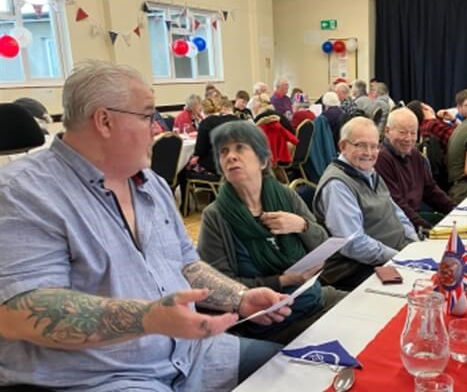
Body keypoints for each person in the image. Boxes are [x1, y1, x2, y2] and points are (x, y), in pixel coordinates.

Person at [0, 60, 292, 390]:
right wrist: (146, 318)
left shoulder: (150, 183)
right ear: (105, 121)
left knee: (295, 372)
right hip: (105, 378)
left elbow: (184, 263)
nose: (156, 128)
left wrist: (239, 297)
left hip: (192, 355)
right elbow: (20, 312)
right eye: (147, 116)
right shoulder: (23, 193)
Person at [198, 120, 346, 344]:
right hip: (273, 324)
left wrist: (302, 226)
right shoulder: (216, 217)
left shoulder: (286, 197)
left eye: (240, 148)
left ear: (263, 160)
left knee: (375, 313)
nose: (231, 156)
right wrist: (282, 280)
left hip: (315, 299)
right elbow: (219, 287)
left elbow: (323, 246)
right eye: (224, 151)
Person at [314, 117, 418, 290]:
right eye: (361, 145)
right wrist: (400, 258)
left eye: (374, 146)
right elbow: (354, 244)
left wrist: (414, 243)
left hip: (395, 253)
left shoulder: (368, 171)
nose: (369, 153)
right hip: (357, 267)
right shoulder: (337, 185)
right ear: (343, 146)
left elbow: (396, 211)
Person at [375, 108, 455, 229]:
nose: (408, 139)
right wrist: (428, 229)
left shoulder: (414, 154)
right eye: (402, 132)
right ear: (387, 131)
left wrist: (455, 209)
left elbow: (431, 190)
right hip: (398, 225)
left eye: (413, 133)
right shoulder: (381, 158)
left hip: (415, 218)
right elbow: (397, 204)